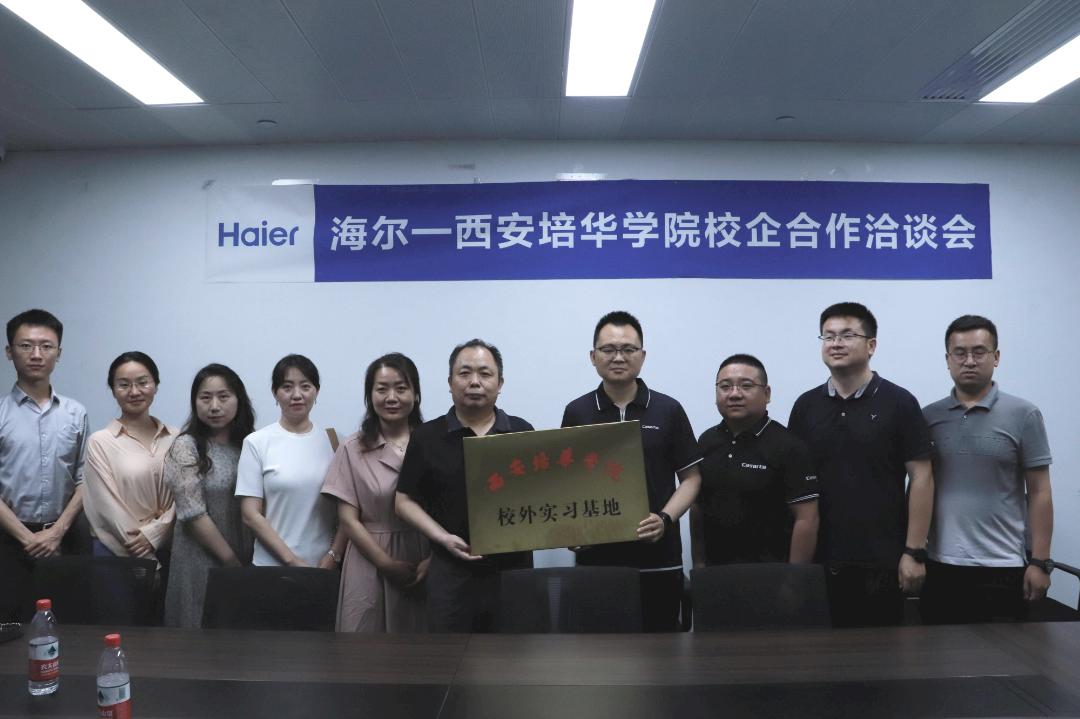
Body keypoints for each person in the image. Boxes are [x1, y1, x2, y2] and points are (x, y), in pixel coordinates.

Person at [787, 302, 934, 628]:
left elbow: (922, 479)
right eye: (828, 336)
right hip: (817, 560)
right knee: (816, 652)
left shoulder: (900, 402)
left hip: (882, 561)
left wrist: (914, 552)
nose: (836, 343)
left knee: (879, 654)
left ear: (871, 345)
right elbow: (794, 484)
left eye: (847, 335)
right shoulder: (805, 406)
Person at [560, 311, 702, 632]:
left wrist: (664, 519)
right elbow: (566, 484)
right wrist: (571, 530)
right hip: (597, 561)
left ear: (643, 356)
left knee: (660, 651)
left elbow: (692, 479)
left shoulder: (668, 410)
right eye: (608, 350)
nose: (618, 357)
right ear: (593, 356)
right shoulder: (577, 412)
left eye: (628, 349)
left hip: (659, 559)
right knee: (599, 653)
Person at [919, 315, 1054, 624]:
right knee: (935, 652)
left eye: (979, 352)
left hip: (1003, 567)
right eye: (960, 353)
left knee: (1003, 654)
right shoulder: (927, 417)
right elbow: (918, 486)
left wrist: (1040, 562)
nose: (969, 361)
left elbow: (1039, 492)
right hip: (939, 566)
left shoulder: (1024, 414)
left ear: (996, 357)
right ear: (947, 359)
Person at [395, 339, 534, 633]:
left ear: (500, 383)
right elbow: (404, 500)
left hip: (513, 570)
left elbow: (542, 496)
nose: (474, 382)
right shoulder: (426, 436)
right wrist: (442, 538)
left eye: (485, 373)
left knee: (514, 652)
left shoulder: (522, 432)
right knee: (449, 655)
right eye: (464, 373)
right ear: (449, 382)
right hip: (450, 571)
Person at [322, 353, 430, 633]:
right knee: (364, 645)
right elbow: (348, 520)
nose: (391, 397)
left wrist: (434, 561)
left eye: (401, 388)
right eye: (382, 389)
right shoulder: (352, 448)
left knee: (423, 646)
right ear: (370, 396)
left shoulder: (432, 443)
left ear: (416, 394)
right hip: (368, 558)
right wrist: (386, 563)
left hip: (423, 559)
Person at [690, 354, 819, 569]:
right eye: (725, 386)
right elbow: (697, 508)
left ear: (767, 394)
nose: (734, 394)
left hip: (771, 574)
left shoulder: (789, 446)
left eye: (746, 386)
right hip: (714, 574)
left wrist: (794, 581)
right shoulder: (706, 441)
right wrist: (698, 562)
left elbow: (807, 519)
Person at [0, 310, 89, 622]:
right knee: (11, 627)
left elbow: (85, 480)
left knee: (71, 626)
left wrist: (56, 532)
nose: (36, 354)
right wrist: (30, 539)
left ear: (58, 354)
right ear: (9, 352)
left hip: (65, 539)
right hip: (8, 542)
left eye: (46, 346)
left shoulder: (76, 413)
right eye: (26, 345)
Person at [163, 364, 257, 628]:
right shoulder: (186, 446)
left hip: (249, 556)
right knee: (201, 635)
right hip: (200, 559)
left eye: (223, 396)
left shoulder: (251, 444)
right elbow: (193, 513)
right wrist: (232, 564)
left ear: (239, 399)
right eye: (205, 398)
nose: (214, 406)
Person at [236, 354, 345, 569]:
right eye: (287, 387)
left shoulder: (335, 441)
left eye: (305, 386)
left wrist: (334, 555)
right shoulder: (256, 443)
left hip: (324, 566)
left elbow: (348, 509)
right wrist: (293, 562)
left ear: (316, 391)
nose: (297, 395)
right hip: (271, 567)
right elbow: (250, 514)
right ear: (274, 392)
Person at [82, 352, 177, 571]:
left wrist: (158, 533)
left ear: (156, 386)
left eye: (143, 383)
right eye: (124, 385)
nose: (134, 392)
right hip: (118, 552)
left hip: (171, 547)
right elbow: (107, 510)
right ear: (113, 390)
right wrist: (147, 563)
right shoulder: (100, 442)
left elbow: (184, 497)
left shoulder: (175, 437)